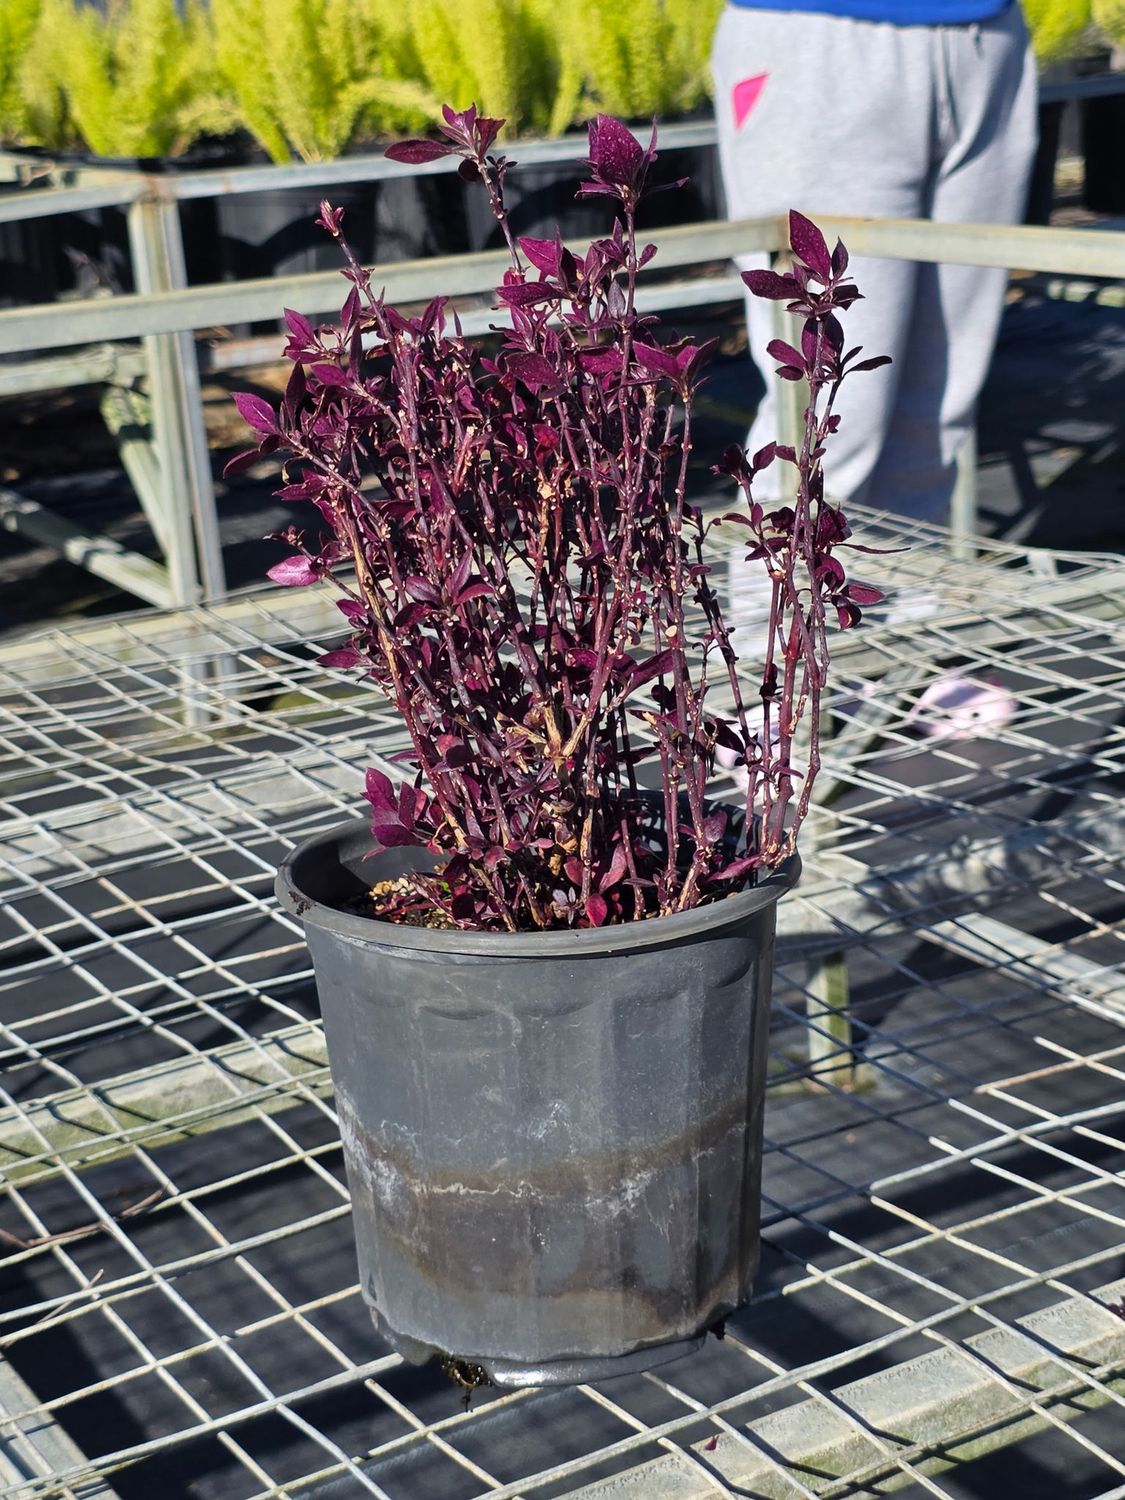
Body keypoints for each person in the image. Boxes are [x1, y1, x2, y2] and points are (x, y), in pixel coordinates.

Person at [711, 0, 1039, 525]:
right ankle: (773, 606)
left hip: (988, 38)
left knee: (939, 402)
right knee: (824, 416)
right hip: (818, 41)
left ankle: (910, 599)